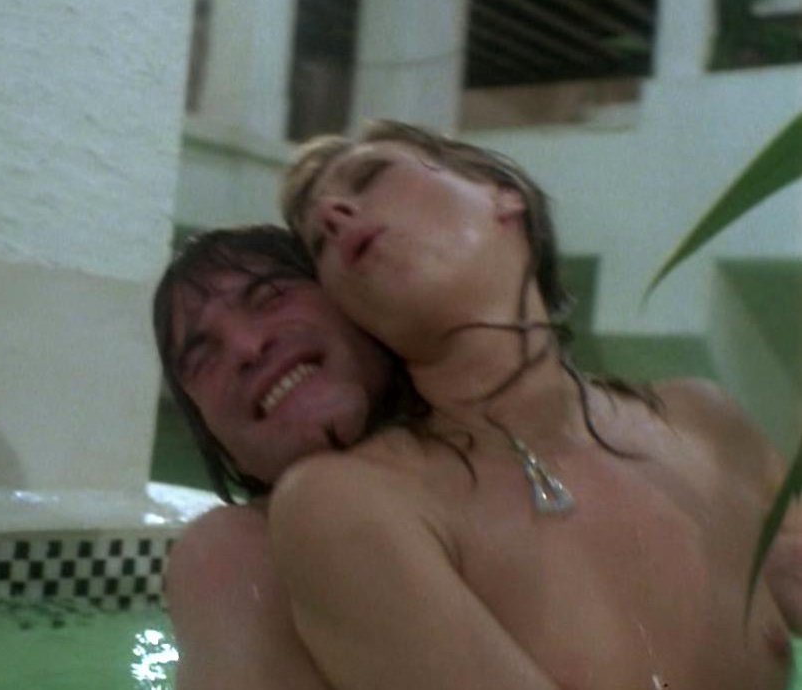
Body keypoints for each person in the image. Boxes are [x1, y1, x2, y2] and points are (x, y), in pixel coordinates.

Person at [268, 120, 801, 690]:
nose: (333, 216)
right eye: (318, 243)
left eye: (372, 177)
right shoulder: (352, 501)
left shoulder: (703, 422)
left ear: (504, 196)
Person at [152, 225, 422, 689]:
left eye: (270, 297)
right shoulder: (228, 558)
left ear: (355, 307)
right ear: (222, 445)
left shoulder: (511, 469)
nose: (247, 347)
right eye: (203, 358)